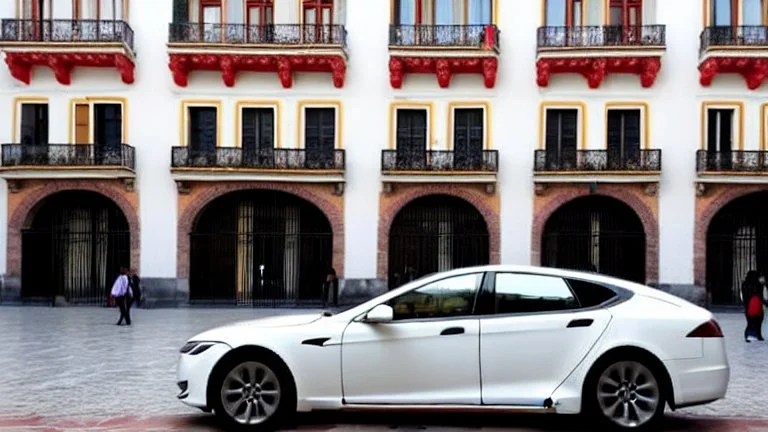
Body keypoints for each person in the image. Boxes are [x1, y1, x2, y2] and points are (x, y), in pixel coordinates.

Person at [742, 271, 763, 342]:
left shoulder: (745, 284)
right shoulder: (757, 284)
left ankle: (751, 335)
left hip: (751, 305)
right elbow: (760, 295)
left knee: (751, 322)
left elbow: (745, 296)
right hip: (755, 304)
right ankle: (757, 335)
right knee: (755, 321)